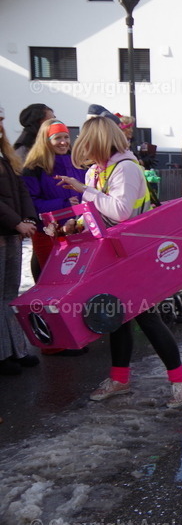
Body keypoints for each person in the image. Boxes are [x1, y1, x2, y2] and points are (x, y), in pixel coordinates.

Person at [57, 116, 182, 406]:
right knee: (117, 316)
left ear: (98, 143)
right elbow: (97, 210)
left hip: (134, 253)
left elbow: (120, 212)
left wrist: (86, 192)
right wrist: (77, 221)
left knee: (146, 317)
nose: (84, 151)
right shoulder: (96, 171)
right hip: (110, 252)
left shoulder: (126, 168)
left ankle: (181, 378)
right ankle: (120, 379)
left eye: (87, 144)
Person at [21, 119, 87, 280]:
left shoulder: (78, 164)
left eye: (66, 137)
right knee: (53, 279)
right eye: (57, 138)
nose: (63, 142)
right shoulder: (33, 168)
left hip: (78, 230)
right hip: (47, 233)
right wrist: (63, 205)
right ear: (46, 140)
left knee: (77, 279)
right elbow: (30, 203)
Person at [1, 107, 40, 376]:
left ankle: (17, 349)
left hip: (11, 234)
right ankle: (4, 355)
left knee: (8, 296)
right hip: (6, 231)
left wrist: (28, 218)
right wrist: (17, 222)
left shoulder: (6, 156)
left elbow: (21, 190)